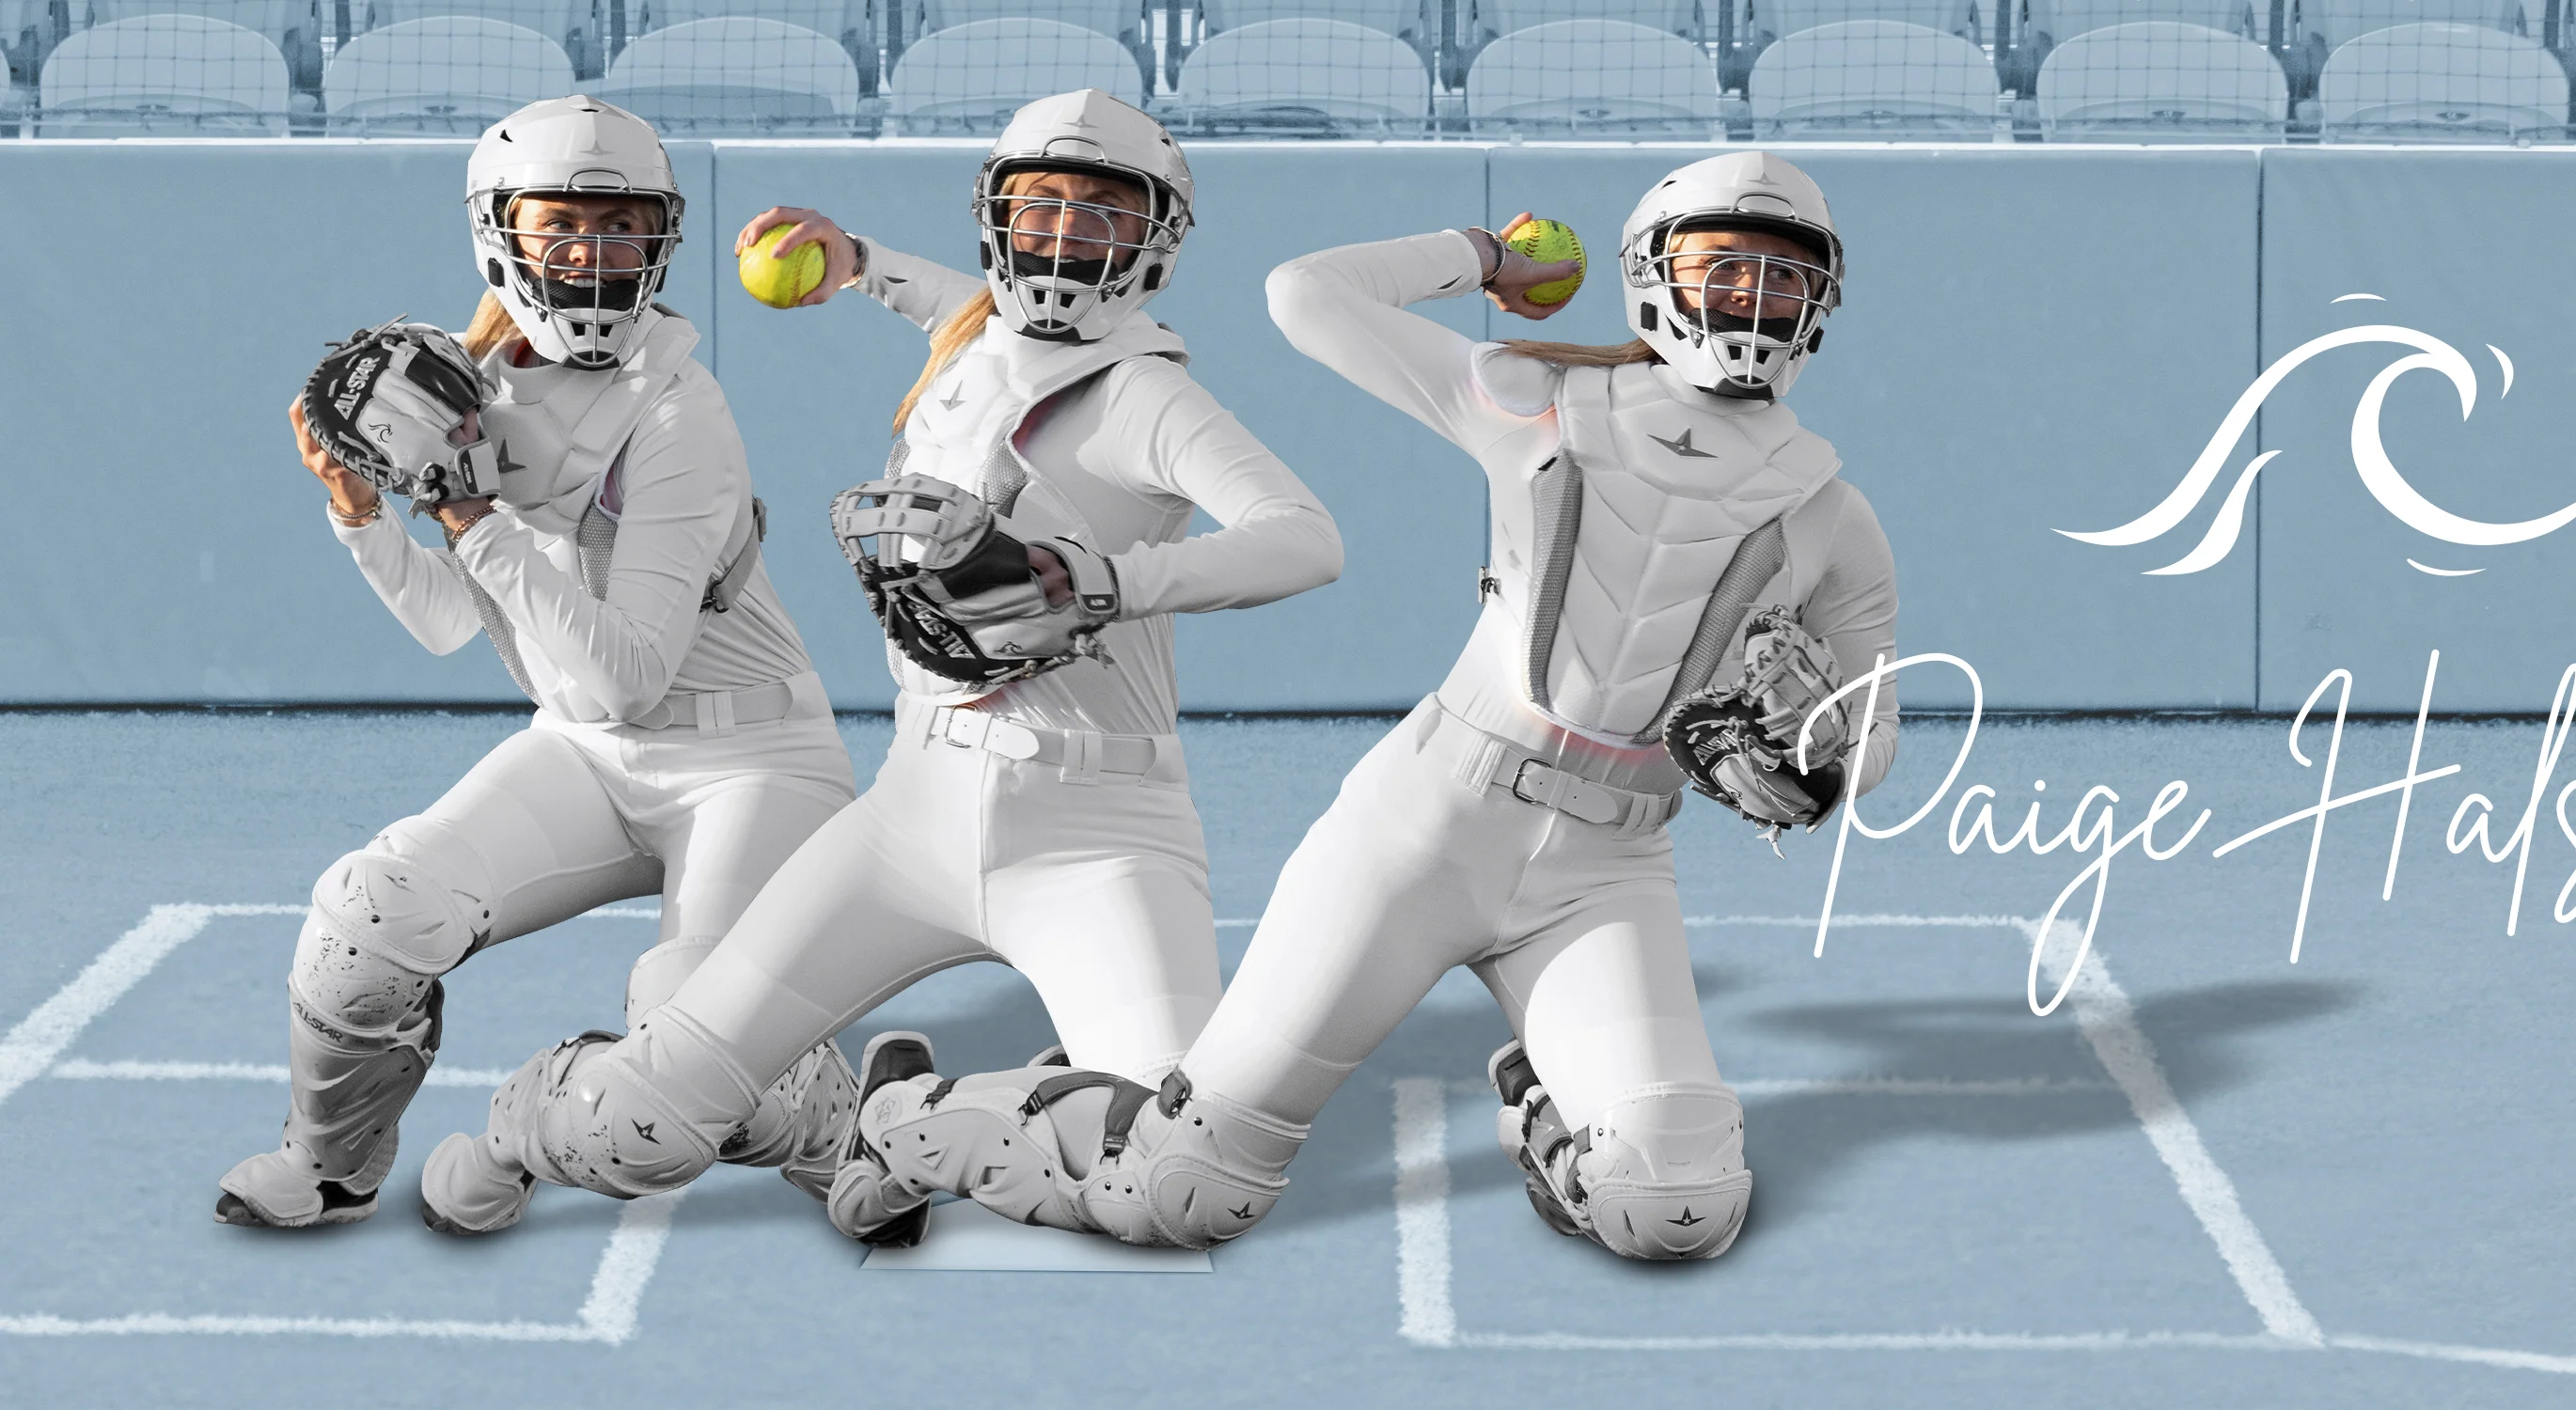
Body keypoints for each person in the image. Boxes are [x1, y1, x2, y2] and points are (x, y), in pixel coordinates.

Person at [833, 150, 1902, 1262]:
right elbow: (1306, 294)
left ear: (1819, 303)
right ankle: (911, 1119)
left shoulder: (1830, 510)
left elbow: (1869, 720)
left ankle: (1550, 1107)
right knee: (1188, 1186)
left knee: (1676, 1207)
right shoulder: (1537, 399)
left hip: (1608, 867)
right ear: (1650, 275)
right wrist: (1482, 257)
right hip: (1423, 829)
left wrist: (1821, 767)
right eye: (1722, 266)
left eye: (1784, 277)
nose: (1752, 299)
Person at [417, 89, 1343, 1245]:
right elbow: (955, 310)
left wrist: (1100, 580)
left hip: (1101, 832)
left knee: (1180, 1183)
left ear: (1153, 242)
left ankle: (909, 1120)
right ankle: (516, 1133)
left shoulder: (1149, 394)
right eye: (1036, 206)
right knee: (641, 1126)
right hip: (915, 809)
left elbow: (1307, 538)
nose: (1060, 238)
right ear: (993, 217)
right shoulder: (979, 340)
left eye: (1099, 214)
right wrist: (854, 259)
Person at [217, 96, 859, 1230]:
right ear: (498, 232)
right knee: (370, 916)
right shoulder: (474, 380)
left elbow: (629, 678)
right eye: (565, 224)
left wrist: (470, 517)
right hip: (584, 753)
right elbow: (448, 626)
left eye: (623, 227)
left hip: (751, 757)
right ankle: (332, 1163)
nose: (596, 255)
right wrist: (362, 512)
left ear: (661, 240)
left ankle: (849, 1125)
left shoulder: (678, 412)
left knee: (692, 1059)